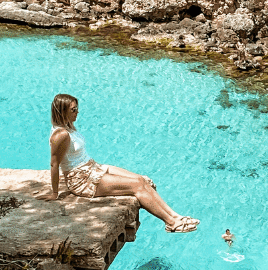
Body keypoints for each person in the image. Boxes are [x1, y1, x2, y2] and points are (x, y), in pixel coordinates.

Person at [42, 92, 198, 233]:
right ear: (62, 112)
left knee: (142, 180)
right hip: (82, 180)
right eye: (73, 110)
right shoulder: (60, 135)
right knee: (136, 185)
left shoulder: (68, 127)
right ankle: (171, 223)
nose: (77, 112)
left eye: (77, 109)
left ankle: (175, 216)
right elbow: (54, 163)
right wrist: (55, 193)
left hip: (93, 168)